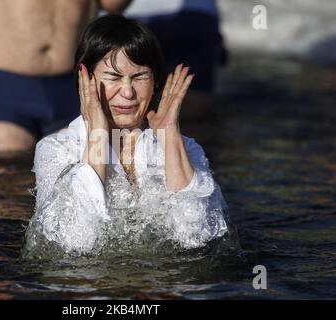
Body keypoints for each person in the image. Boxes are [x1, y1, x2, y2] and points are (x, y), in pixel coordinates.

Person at [23, 15, 228, 257]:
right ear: (85, 79)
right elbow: (75, 242)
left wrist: (170, 138)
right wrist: (97, 135)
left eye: (139, 77)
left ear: (155, 83)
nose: (128, 92)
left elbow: (196, 239)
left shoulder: (186, 148)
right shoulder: (56, 148)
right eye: (114, 77)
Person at [0, 0, 132, 153]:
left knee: (88, 175)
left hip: (76, 81)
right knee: (1, 171)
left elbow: (112, 4)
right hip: (4, 80)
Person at [123, 0, 227, 120]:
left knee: (129, 106)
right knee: (195, 110)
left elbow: (109, 5)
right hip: (197, 15)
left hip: (134, 16)